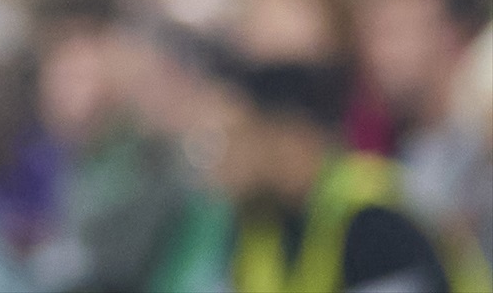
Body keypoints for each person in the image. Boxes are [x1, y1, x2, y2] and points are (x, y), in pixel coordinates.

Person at [207, 56, 483, 293]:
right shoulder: (258, 223)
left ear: (291, 141)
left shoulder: (375, 218)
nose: (222, 155)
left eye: (236, 138)